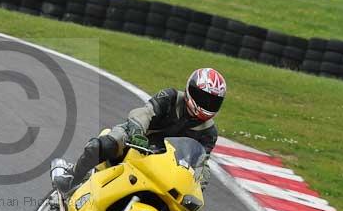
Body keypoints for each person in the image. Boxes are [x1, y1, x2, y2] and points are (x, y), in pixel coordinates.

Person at [53, 67, 227, 193]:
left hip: (164, 165)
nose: (207, 104)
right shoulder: (171, 97)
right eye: (203, 98)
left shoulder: (209, 133)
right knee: (103, 145)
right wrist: (136, 131)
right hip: (137, 139)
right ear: (190, 90)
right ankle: (72, 176)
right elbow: (145, 113)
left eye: (213, 101)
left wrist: (198, 183)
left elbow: (201, 160)